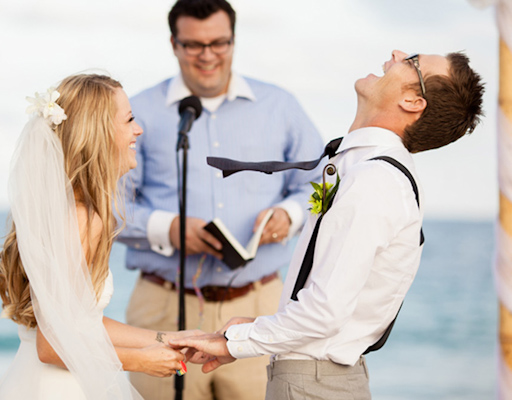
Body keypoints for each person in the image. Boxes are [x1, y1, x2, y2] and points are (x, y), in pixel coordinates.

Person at [170, 50, 485, 399]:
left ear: (413, 101)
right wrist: (256, 328)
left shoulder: (374, 180)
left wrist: (235, 344)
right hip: (316, 380)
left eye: (411, 61)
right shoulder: (369, 171)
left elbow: (323, 313)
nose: (396, 54)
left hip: (313, 386)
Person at [117, 0, 325, 398]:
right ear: (174, 44)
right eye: (194, 44)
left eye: (219, 43)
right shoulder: (136, 111)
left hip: (261, 307)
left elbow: (322, 184)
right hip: (162, 305)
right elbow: (107, 205)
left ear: (233, 40)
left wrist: (291, 213)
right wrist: (169, 229)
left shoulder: (280, 106)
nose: (208, 55)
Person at [0, 74, 195, 400]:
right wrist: (140, 361)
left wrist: (165, 339)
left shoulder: (69, 211)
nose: (137, 130)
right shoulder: (83, 218)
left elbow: (83, 322)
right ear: (98, 132)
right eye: (128, 120)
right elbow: (51, 343)